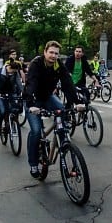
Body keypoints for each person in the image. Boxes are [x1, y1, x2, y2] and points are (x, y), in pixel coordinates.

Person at [23, 41, 83, 179]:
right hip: (33, 99)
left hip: (48, 96)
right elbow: (31, 84)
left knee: (61, 110)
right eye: (51, 52)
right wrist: (31, 104)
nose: (53, 56)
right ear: (45, 52)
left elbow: (68, 83)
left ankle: (64, 146)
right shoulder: (36, 64)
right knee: (36, 131)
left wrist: (77, 102)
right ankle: (33, 164)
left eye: (56, 53)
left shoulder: (58, 65)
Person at [0, 59, 23, 136]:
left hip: (11, 93)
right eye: (12, 71)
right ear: (9, 67)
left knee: (14, 109)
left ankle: (12, 125)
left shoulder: (15, 72)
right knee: (3, 111)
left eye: (14, 72)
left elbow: (19, 83)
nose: (13, 73)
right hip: (0, 94)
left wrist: (23, 92)